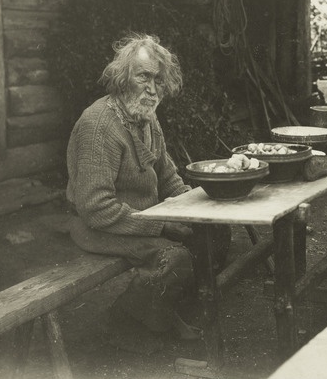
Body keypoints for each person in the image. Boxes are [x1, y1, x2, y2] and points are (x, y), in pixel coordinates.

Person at [66, 33, 228, 351]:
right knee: (176, 258)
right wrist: (164, 224)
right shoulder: (100, 126)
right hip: (98, 226)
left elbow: (168, 177)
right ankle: (125, 320)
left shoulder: (146, 118)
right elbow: (96, 209)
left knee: (214, 235)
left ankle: (158, 314)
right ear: (123, 77)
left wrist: (197, 210)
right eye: (143, 76)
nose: (152, 89)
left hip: (139, 221)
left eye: (157, 79)